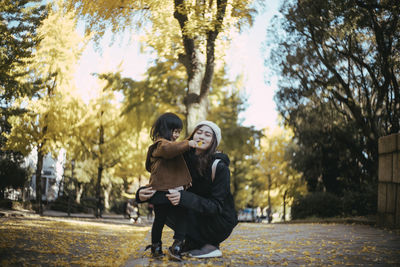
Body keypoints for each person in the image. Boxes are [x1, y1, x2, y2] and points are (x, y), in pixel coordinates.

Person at [137, 120, 238, 259]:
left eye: (208, 135)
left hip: (219, 222)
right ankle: (193, 242)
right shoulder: (181, 157)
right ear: (192, 136)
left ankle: (210, 244)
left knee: (180, 201)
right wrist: (140, 194)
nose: (202, 137)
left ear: (214, 141)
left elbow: (217, 206)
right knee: (164, 202)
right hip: (194, 212)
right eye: (199, 132)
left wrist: (183, 198)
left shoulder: (219, 167)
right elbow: (162, 178)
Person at [144, 112, 197, 261]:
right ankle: (156, 246)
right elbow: (169, 150)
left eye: (179, 132)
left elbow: (178, 164)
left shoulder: (173, 146)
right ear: (165, 130)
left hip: (177, 190)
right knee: (159, 220)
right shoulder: (161, 145)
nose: (176, 136)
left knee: (182, 217)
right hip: (162, 191)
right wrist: (188, 143)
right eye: (175, 131)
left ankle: (178, 245)